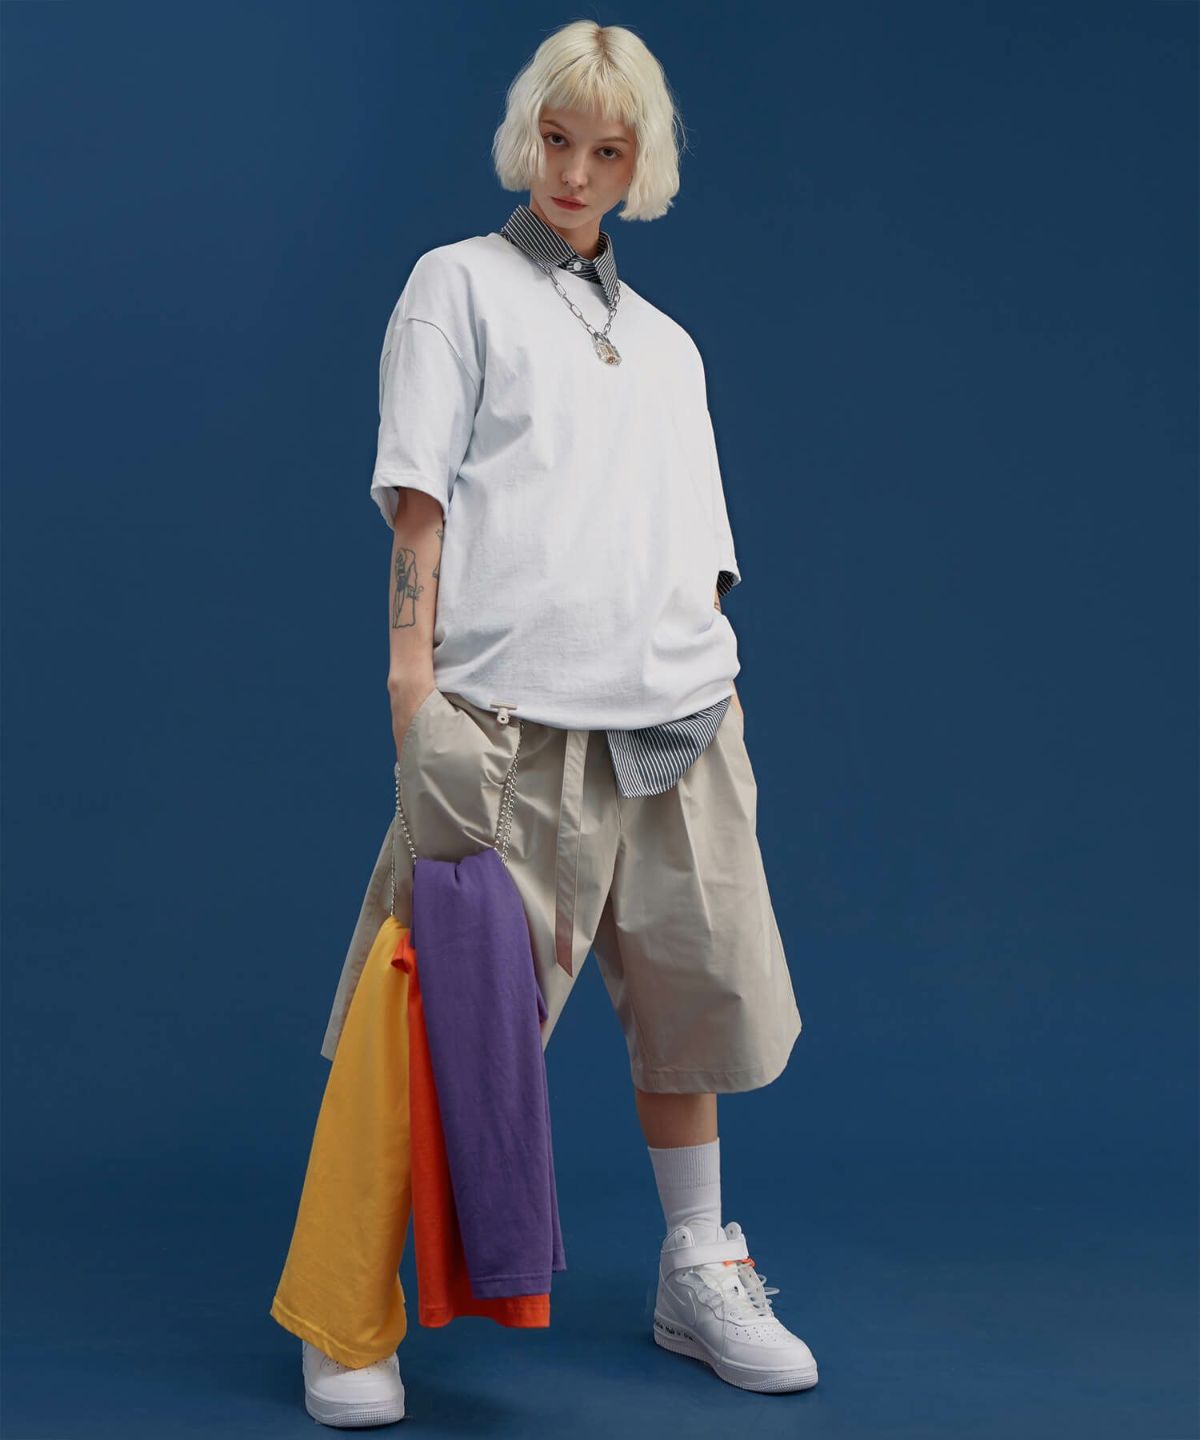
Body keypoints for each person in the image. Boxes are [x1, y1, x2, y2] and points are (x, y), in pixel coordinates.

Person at [270, 19, 817, 1425]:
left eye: (608, 150)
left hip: (682, 723)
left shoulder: (670, 347)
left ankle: (697, 1267)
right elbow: (419, 504)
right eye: (558, 140)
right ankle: (343, 1310)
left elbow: (696, 540)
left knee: (698, 1010)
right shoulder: (454, 287)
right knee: (426, 1012)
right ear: (528, 138)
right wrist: (413, 692)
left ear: (641, 165)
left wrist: (709, 673)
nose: (577, 172)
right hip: (510, 730)